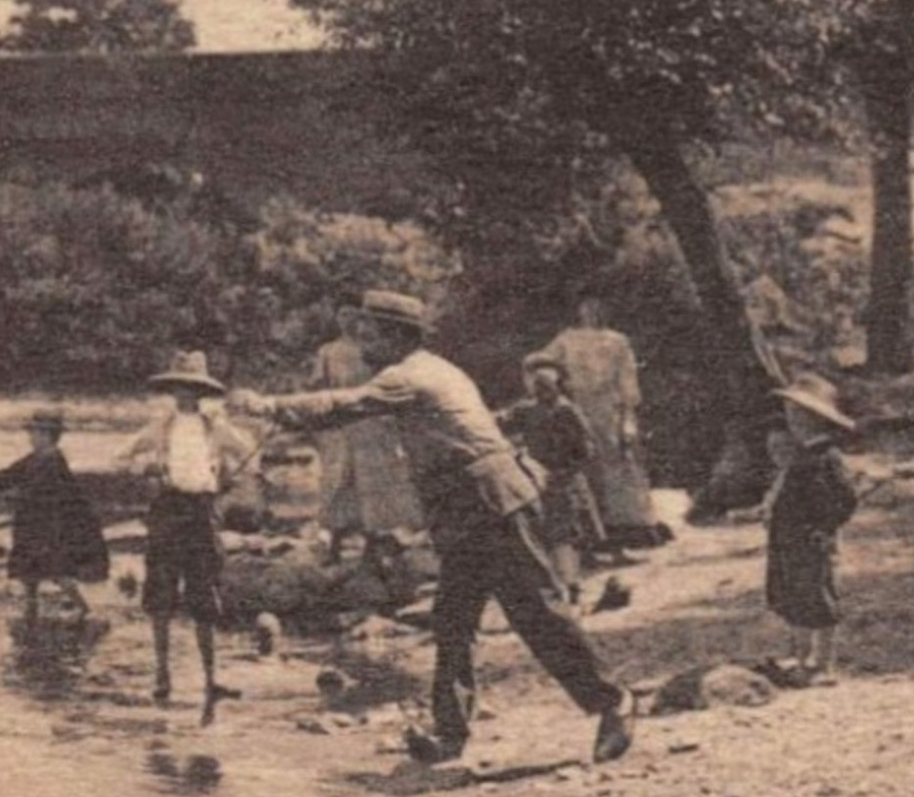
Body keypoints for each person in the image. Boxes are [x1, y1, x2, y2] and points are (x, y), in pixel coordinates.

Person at [230, 289, 636, 765]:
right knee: (452, 620)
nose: (362, 342)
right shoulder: (433, 368)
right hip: (467, 506)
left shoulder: (410, 375)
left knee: (537, 613)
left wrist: (268, 406)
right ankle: (450, 734)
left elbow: (348, 404)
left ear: (397, 336)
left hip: (490, 501)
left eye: (371, 333)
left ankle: (614, 703)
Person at [117, 351, 256, 723]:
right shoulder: (161, 425)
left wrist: (230, 478)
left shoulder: (216, 427)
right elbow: (123, 455)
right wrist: (144, 469)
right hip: (166, 509)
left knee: (204, 593)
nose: (185, 395)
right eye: (179, 388)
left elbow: (250, 455)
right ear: (172, 390)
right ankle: (162, 673)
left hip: (202, 511)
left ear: (202, 392)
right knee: (160, 593)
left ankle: (212, 678)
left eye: (192, 388)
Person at [528, 299, 667, 556]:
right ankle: (594, 540)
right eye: (585, 307)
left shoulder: (617, 341)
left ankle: (628, 537)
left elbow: (627, 380)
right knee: (587, 474)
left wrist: (627, 418)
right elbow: (540, 363)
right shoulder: (566, 340)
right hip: (580, 412)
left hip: (610, 412)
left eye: (596, 306)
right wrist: (550, 382)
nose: (591, 312)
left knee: (620, 472)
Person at [0, 408, 109, 625]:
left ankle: (81, 607)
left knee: (55, 569)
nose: (30, 437)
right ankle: (31, 608)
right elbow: (10, 474)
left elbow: (39, 491)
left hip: (48, 524)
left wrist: (7, 493)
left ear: (46, 435)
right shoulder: (37, 457)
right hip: (31, 522)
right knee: (28, 571)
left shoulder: (52, 461)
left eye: (33, 433)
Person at [764, 373, 858, 686]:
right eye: (791, 413)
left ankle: (825, 663)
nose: (794, 420)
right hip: (791, 539)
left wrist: (825, 528)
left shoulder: (827, 458)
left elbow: (845, 498)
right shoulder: (800, 456)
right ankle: (802, 658)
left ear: (817, 419)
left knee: (819, 598)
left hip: (813, 539)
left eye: (801, 415)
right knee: (795, 596)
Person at [311, 319, 423, 564]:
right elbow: (319, 386)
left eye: (353, 315)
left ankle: (376, 545)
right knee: (337, 482)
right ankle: (333, 543)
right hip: (341, 426)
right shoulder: (328, 351)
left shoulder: (373, 349)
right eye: (343, 315)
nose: (348, 321)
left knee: (373, 486)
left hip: (372, 425)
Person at [500, 358, 605, 606]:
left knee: (565, 536)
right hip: (539, 480)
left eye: (546, 386)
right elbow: (502, 424)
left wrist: (567, 470)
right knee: (550, 535)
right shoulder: (526, 410)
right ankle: (563, 586)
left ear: (557, 386)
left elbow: (586, 448)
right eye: (537, 386)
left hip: (563, 480)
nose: (541, 392)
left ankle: (571, 585)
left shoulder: (567, 411)